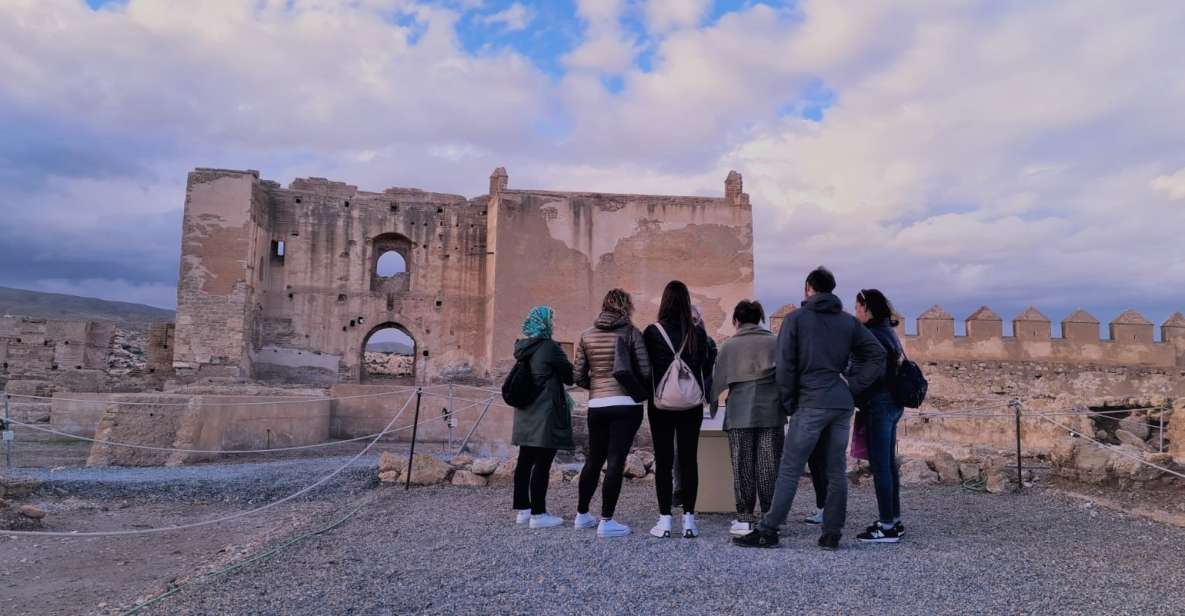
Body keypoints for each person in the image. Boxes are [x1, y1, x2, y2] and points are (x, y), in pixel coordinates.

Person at [734, 266, 885, 550]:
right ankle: (831, 534)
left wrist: (790, 401)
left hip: (811, 401)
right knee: (836, 470)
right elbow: (877, 354)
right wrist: (852, 385)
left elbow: (786, 366)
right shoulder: (848, 322)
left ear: (808, 288)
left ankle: (769, 529)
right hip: (841, 404)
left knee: (790, 468)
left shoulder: (795, 320)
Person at [573, 288, 651, 538]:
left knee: (593, 460)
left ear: (604, 305)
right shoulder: (631, 333)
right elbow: (647, 371)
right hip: (626, 405)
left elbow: (578, 376)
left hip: (597, 405)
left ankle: (582, 515)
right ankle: (607, 521)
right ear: (626, 306)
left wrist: (597, 387)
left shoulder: (586, 335)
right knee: (616, 460)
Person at [642, 281, 716, 539]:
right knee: (688, 460)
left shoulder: (651, 332)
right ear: (686, 302)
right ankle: (689, 521)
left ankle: (664, 521)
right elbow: (706, 367)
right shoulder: (698, 334)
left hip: (660, 403)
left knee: (664, 461)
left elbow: (643, 368)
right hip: (691, 403)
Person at [709, 300, 785, 536]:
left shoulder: (729, 346)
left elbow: (717, 381)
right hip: (771, 411)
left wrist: (712, 406)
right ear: (760, 317)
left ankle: (744, 517)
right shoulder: (775, 342)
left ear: (736, 320)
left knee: (742, 465)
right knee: (769, 466)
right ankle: (770, 518)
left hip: (740, 411)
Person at [510, 306, 575, 529]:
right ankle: (539, 514)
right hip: (545, 415)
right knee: (543, 464)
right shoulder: (549, 348)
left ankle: (523, 511)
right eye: (551, 320)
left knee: (525, 462)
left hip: (525, 414)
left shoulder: (523, 347)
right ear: (545, 323)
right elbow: (570, 376)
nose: (553, 324)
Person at [852, 289, 907, 543]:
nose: (855, 312)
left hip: (879, 404)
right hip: (894, 403)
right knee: (888, 463)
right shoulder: (889, 331)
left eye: (857, 307)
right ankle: (893, 520)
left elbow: (870, 370)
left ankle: (886, 527)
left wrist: (850, 384)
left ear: (866, 307)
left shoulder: (871, 334)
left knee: (881, 465)